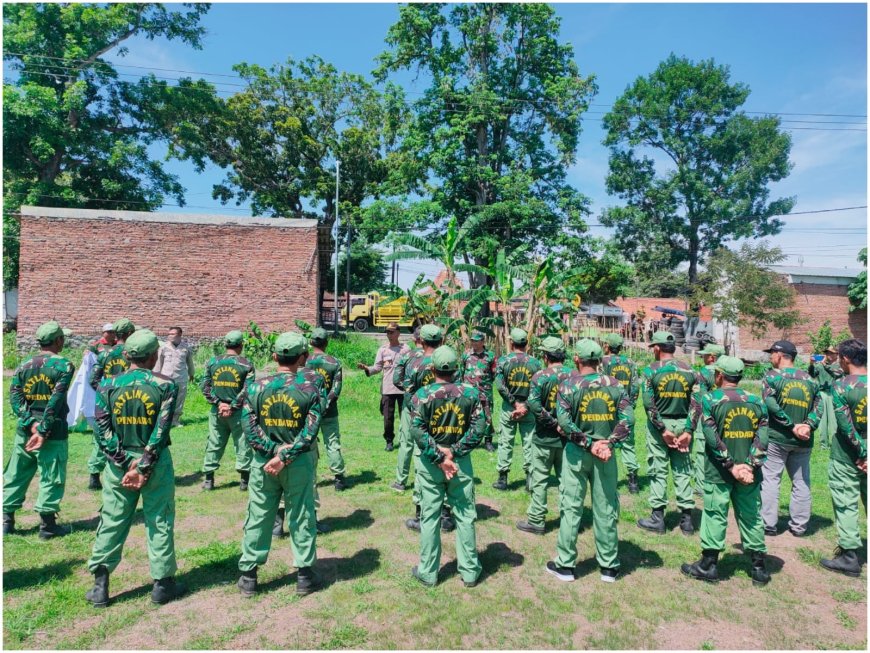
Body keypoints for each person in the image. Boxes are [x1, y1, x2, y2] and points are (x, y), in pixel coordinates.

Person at [85, 329, 184, 608]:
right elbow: (161, 429)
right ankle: (163, 584)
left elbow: (102, 430)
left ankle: (100, 586)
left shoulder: (108, 385)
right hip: (154, 464)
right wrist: (143, 464)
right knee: (159, 518)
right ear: (154, 356)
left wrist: (123, 461)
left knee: (113, 519)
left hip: (120, 467)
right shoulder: (166, 385)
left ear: (127, 355)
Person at [236, 332, 322, 597]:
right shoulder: (311, 387)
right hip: (297, 463)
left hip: (264, 463)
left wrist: (273, 452)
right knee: (301, 514)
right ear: (303, 358)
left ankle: (249, 576)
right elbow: (310, 432)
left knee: (259, 515)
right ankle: (304, 576)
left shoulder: (255, 387)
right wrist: (284, 455)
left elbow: (249, 429)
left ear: (274, 357)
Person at [546, 339, 632, 583]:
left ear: (577, 359)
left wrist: (588, 444)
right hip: (605, 454)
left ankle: (565, 565)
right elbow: (628, 420)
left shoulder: (568, 386)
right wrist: (609, 443)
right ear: (600, 361)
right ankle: (609, 566)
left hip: (576, 453)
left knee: (571, 506)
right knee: (606, 507)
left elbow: (564, 422)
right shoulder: (615, 385)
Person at [681, 356, 771, 586]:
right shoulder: (757, 401)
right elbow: (762, 439)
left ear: (719, 375)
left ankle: (709, 564)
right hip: (749, 473)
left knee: (714, 513)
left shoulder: (710, 399)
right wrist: (749, 465)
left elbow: (711, 435)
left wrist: (731, 465)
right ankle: (759, 567)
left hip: (719, 471)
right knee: (751, 515)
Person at [408, 345, 485, 588]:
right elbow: (479, 429)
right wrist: (455, 452)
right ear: (457, 368)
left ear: (432, 369)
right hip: (459, 463)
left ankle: (428, 572)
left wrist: (440, 456)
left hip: (431, 464)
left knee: (430, 517)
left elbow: (417, 430)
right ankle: (470, 572)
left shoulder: (421, 395)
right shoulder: (470, 394)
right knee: (465, 516)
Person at [3, 321, 75, 539]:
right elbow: (55, 399)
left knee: (15, 473)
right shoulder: (64, 365)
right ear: (58, 340)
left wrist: (30, 423)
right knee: (51, 475)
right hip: (52, 433)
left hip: (25, 432)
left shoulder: (24, 364)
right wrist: (42, 430)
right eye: (63, 338)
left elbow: (15, 397)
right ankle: (47, 525)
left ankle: (6, 521)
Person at [637, 330, 702, 535]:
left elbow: (648, 404)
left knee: (658, 469)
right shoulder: (690, 371)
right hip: (684, 424)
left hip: (660, 427)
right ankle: (686, 521)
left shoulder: (651, 371)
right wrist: (689, 430)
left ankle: (658, 518)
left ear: (657, 348)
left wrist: (662, 429)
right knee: (683, 470)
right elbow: (697, 402)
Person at [760, 340, 822, 538]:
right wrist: (808, 426)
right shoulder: (811, 380)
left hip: (778, 438)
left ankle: (768, 524)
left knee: (771, 479)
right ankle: (799, 527)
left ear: (780, 355)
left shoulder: (771, 377)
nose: (770, 357)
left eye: (772, 353)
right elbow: (819, 408)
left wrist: (791, 426)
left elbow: (770, 404)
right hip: (803, 441)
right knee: (801, 482)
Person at [820, 339, 867, 577]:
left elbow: (846, 427)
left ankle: (849, 557)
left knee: (846, 502)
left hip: (847, 456)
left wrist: (863, 453)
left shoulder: (841, 386)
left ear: (846, 359)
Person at [274, 339, 330, 539]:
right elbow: (320, 408)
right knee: (308, 481)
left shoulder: (270, 380)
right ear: (304, 356)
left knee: (276, 481)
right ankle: (310, 522)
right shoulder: (314, 378)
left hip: (277, 437)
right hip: (304, 438)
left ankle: (277, 526)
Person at [517, 336, 573, 535]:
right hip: (567, 439)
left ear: (545, 356)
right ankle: (569, 519)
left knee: (539, 479)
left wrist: (552, 423)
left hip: (543, 438)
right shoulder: (574, 375)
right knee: (566, 480)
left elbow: (533, 404)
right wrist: (564, 425)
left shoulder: (540, 377)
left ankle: (537, 520)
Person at [399, 325, 452, 532]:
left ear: (420, 339)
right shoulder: (450, 359)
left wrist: (415, 411)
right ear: (440, 339)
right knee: (447, 457)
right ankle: (445, 513)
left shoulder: (414, 362)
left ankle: (422, 512)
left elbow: (402, 385)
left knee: (423, 460)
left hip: (421, 416)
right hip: (445, 416)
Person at [200, 330, 255, 491]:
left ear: (225, 344)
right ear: (241, 345)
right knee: (242, 443)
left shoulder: (212, 362)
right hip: (238, 412)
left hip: (217, 412)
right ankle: (244, 481)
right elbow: (248, 389)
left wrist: (218, 403)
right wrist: (231, 406)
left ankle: (209, 480)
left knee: (214, 442)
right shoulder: (246, 364)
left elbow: (205, 386)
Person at [87, 318, 136, 490]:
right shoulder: (134, 353)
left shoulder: (104, 354)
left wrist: (105, 394)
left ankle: (94, 474)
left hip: (108, 402)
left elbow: (93, 379)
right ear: (130, 334)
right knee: (129, 436)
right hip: (129, 400)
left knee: (102, 437)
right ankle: (127, 469)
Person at [493, 328, 542, 491]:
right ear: (526, 344)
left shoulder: (504, 361)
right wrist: (525, 405)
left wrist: (514, 404)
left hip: (509, 407)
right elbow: (538, 388)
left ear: (512, 343)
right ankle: (530, 478)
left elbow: (500, 385)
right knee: (529, 442)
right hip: (528, 409)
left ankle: (502, 478)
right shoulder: (535, 363)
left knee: (505, 441)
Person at [306, 327, 347, 491]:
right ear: (326, 343)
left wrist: (313, 407)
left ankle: (310, 478)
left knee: (308, 444)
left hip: (308, 411)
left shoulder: (304, 361)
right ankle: (338, 478)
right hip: (329, 411)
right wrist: (325, 404)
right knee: (332, 443)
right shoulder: (334, 362)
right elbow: (336, 389)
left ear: (311, 342)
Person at [601, 333, 641, 494]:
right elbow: (635, 386)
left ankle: (606, 479)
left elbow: (600, 383)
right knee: (628, 444)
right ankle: (633, 480)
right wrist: (631, 403)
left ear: (607, 346)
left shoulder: (603, 362)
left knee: (606, 441)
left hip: (608, 407)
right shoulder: (631, 363)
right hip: (626, 407)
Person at [358, 322, 406, 451]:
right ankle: (389, 441)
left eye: (392, 332)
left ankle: (405, 440)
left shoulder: (406, 349)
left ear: (398, 333)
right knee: (388, 418)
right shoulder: (383, 350)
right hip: (388, 389)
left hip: (403, 389)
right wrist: (367, 368)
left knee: (405, 417)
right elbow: (377, 367)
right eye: (387, 332)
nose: (389, 335)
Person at [390, 327, 425, 493]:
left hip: (410, 405)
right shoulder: (436, 358)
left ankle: (401, 481)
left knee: (406, 442)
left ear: (414, 338)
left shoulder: (407, 356)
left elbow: (396, 379)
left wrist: (409, 390)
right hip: (430, 407)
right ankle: (422, 479)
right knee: (424, 443)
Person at [692, 344, 726, 494]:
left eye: (705, 355)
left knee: (701, 451)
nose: (703, 357)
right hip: (724, 415)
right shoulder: (727, 372)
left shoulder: (703, 373)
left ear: (712, 357)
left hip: (705, 416)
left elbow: (700, 398)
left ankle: (700, 486)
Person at [461, 330, 498, 452]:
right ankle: (468, 440)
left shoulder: (490, 356)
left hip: (484, 393)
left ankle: (488, 441)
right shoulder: (466, 355)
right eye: (472, 341)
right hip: (469, 393)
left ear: (483, 341)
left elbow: (494, 374)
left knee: (487, 417)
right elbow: (461, 372)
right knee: (467, 417)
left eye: (477, 341)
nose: (474, 343)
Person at [154, 326, 195, 427]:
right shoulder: (163, 348)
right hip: (166, 378)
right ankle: (164, 419)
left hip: (181, 378)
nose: (170, 336)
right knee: (165, 399)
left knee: (179, 399)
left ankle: (175, 420)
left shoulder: (186, 348)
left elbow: (190, 363)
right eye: (169, 334)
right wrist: (156, 376)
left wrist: (191, 374)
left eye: (173, 334)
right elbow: (158, 363)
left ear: (180, 335)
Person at [809, 345, 845, 449]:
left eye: (830, 353)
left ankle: (834, 443)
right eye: (827, 353)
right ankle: (823, 445)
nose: (828, 355)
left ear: (836, 355)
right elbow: (812, 374)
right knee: (822, 421)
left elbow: (836, 374)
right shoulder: (820, 365)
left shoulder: (839, 366)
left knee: (834, 421)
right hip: (822, 394)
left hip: (834, 394)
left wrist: (824, 365)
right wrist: (811, 364)